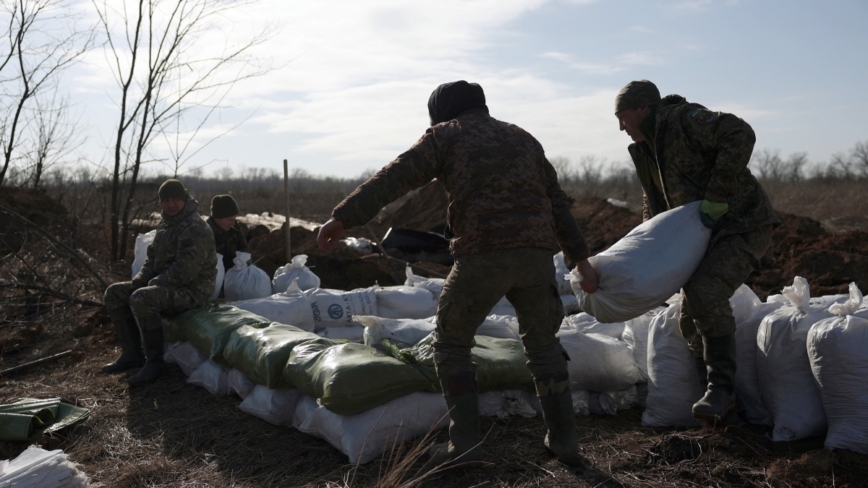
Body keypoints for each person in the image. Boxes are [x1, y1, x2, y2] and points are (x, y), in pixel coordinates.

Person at [317, 80, 598, 467]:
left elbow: (395, 177)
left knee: (450, 344)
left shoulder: (445, 136)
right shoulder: (524, 139)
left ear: (441, 112)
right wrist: (580, 259)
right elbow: (558, 205)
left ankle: (464, 445)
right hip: (536, 257)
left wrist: (342, 218)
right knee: (544, 346)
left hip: (483, 255)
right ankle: (565, 442)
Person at [613, 80, 780, 425]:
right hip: (701, 235)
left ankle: (721, 388)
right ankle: (717, 401)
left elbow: (740, 133)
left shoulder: (683, 121)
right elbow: (655, 205)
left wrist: (718, 195)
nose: (621, 127)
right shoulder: (647, 152)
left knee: (706, 292)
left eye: (623, 117)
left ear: (643, 109)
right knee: (689, 319)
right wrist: (649, 251)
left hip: (741, 224)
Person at [102, 179, 217, 386]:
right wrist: (140, 280)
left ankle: (155, 363)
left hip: (192, 291)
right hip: (166, 286)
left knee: (142, 298)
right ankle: (131, 354)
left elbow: (185, 272)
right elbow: (151, 259)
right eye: (166, 200)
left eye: (175, 200)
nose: (171, 204)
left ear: (184, 200)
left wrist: (152, 284)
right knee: (114, 293)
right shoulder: (166, 224)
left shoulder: (195, 227)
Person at [207, 194, 249, 273]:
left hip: (236, 273)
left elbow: (243, 246)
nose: (233, 223)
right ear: (218, 218)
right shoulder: (205, 234)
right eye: (230, 219)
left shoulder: (234, 228)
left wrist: (243, 259)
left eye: (234, 219)